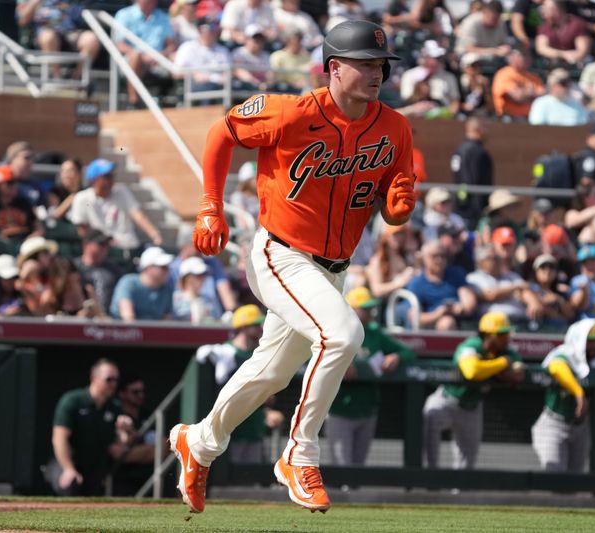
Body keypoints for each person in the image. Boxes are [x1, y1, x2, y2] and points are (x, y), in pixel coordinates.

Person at [168, 20, 416, 514]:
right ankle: (299, 454)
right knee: (343, 334)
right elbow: (222, 132)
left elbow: (394, 198)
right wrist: (210, 206)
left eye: (381, 65)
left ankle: (198, 443)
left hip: (334, 268)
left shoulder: (395, 126)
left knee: (271, 373)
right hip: (281, 253)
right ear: (334, 67)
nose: (376, 73)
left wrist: (399, 201)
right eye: (366, 63)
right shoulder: (289, 112)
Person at [532, 319, 595, 472]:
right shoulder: (565, 352)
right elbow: (556, 367)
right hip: (554, 424)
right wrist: (578, 392)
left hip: (580, 427)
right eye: (589, 342)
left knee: (575, 483)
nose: (594, 346)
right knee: (554, 476)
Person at [423, 312, 525, 469]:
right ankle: (430, 479)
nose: (507, 337)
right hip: (448, 400)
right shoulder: (471, 345)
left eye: (507, 333)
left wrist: (503, 368)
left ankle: (459, 491)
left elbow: (518, 373)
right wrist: (501, 364)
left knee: (466, 464)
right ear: (489, 335)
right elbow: (471, 371)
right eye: (502, 334)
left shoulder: (505, 351)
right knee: (430, 415)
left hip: (472, 408)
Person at [326, 287, 415, 466]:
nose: (370, 313)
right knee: (342, 469)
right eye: (365, 309)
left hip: (367, 409)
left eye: (370, 308)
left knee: (359, 470)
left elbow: (408, 352)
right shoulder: (334, 330)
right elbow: (315, 359)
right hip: (340, 409)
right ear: (352, 310)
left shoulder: (374, 332)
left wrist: (396, 356)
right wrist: (339, 365)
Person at [195, 305, 286, 464]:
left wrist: (266, 409)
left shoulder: (260, 354)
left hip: (255, 428)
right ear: (243, 327)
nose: (260, 328)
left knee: (251, 480)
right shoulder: (226, 353)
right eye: (256, 324)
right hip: (230, 431)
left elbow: (267, 395)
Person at [46, 359, 148, 496]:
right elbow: (59, 439)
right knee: (71, 484)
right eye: (109, 379)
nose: (113, 384)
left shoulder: (115, 407)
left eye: (116, 380)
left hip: (95, 469)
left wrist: (127, 431)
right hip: (65, 462)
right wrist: (68, 469)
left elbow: (122, 443)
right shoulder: (73, 401)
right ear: (94, 379)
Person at [69, 159, 163, 251]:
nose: (111, 179)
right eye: (107, 176)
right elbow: (82, 231)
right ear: (94, 179)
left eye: (111, 175)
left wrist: (155, 235)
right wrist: (102, 243)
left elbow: (138, 215)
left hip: (129, 247)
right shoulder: (82, 198)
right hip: (103, 251)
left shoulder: (121, 191)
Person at [114, 0, 176, 108]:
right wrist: (142, 57)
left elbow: (171, 46)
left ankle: (180, 101)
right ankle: (134, 101)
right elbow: (120, 44)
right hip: (133, 59)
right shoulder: (124, 15)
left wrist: (159, 55)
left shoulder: (163, 17)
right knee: (135, 56)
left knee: (176, 57)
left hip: (158, 60)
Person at [15, 0, 100, 79]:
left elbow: (78, 17)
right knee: (48, 37)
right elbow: (22, 20)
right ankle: (56, 78)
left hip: (69, 33)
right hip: (44, 35)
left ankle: (77, 79)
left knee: (91, 39)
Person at [408, 241, 477, 330]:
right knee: (447, 322)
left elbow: (469, 303)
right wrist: (438, 313)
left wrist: (459, 309)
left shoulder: (456, 274)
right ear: (424, 259)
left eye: (442, 256)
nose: (439, 260)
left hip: (462, 321)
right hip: (432, 327)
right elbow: (414, 316)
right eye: (434, 256)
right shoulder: (417, 283)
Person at [468, 244, 542, 324]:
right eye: (493, 258)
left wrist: (533, 302)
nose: (498, 261)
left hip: (519, 321)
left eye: (498, 258)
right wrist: (515, 288)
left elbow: (525, 290)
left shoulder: (511, 276)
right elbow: (490, 295)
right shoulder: (474, 278)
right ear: (480, 262)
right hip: (491, 324)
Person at [110, 246, 174, 321]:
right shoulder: (128, 283)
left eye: (167, 267)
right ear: (149, 268)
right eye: (163, 267)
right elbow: (128, 319)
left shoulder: (167, 290)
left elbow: (167, 321)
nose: (167, 270)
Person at [450, 117, 492, 229]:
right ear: (478, 129)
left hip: (460, 206)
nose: (488, 132)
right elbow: (473, 181)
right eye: (486, 128)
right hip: (473, 211)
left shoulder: (459, 150)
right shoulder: (477, 152)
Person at [173, 22, 232, 99]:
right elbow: (176, 73)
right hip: (195, 85)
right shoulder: (187, 47)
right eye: (206, 31)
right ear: (199, 31)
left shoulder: (223, 50)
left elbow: (229, 72)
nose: (209, 34)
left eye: (212, 31)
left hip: (220, 85)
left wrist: (226, 78)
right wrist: (194, 75)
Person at [0, 165, 40, 242]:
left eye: (16, 182)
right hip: (1, 245)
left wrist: (33, 237)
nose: (15, 185)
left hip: (26, 242)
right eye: (10, 183)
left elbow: (38, 227)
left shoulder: (24, 203)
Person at [74, 229, 121, 315]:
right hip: (80, 317)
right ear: (86, 245)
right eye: (101, 244)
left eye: (106, 244)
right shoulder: (74, 268)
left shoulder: (114, 270)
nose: (104, 248)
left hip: (108, 319)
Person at [365, 223, 419, 299]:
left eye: (401, 234)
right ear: (386, 237)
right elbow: (376, 290)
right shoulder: (377, 261)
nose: (399, 238)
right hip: (386, 305)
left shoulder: (406, 256)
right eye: (395, 234)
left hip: (405, 298)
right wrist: (397, 283)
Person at [490, 46, 544, 120]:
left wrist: (524, 92)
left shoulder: (534, 77)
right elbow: (517, 97)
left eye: (528, 56)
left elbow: (542, 97)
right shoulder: (504, 74)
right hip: (509, 118)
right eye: (523, 55)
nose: (526, 59)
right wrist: (530, 92)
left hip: (531, 118)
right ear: (512, 57)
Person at [535, 0, 592, 67]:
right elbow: (541, 48)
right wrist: (563, 54)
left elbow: (582, 51)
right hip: (553, 65)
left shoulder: (577, 24)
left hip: (577, 64)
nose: (543, 11)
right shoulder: (544, 26)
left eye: (546, 8)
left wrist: (571, 58)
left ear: (557, 9)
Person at [529, 253, 575, 328]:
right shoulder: (529, 289)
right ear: (535, 271)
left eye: (551, 267)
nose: (548, 270)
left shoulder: (561, 292)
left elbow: (570, 315)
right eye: (543, 267)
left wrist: (558, 300)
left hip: (557, 334)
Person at [172, 256, 215, 323]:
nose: (203, 278)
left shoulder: (209, 300)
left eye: (204, 274)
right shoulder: (174, 300)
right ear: (187, 277)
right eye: (198, 275)